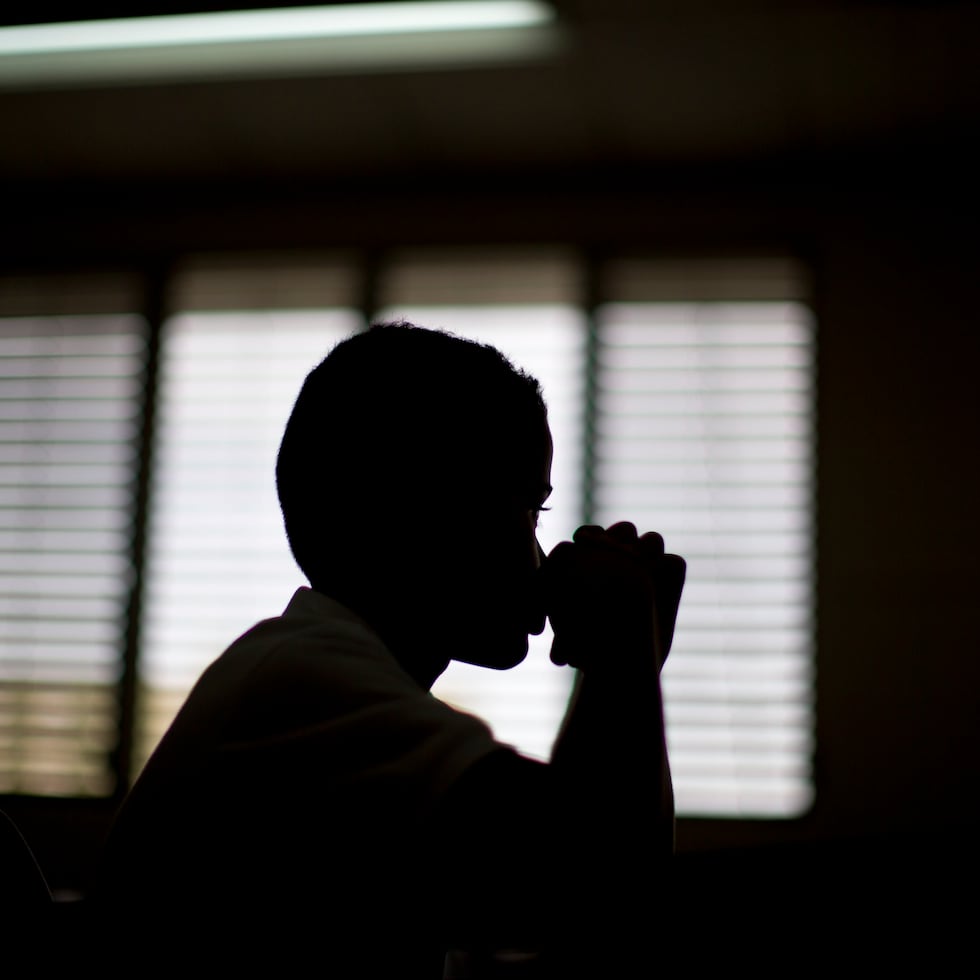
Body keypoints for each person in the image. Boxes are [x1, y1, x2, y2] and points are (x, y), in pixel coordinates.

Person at [91, 321, 686, 977]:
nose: (544, 554)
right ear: (420, 507)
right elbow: (587, 886)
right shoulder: (304, 680)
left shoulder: (323, 674)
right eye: (527, 509)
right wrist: (623, 641)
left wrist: (628, 656)